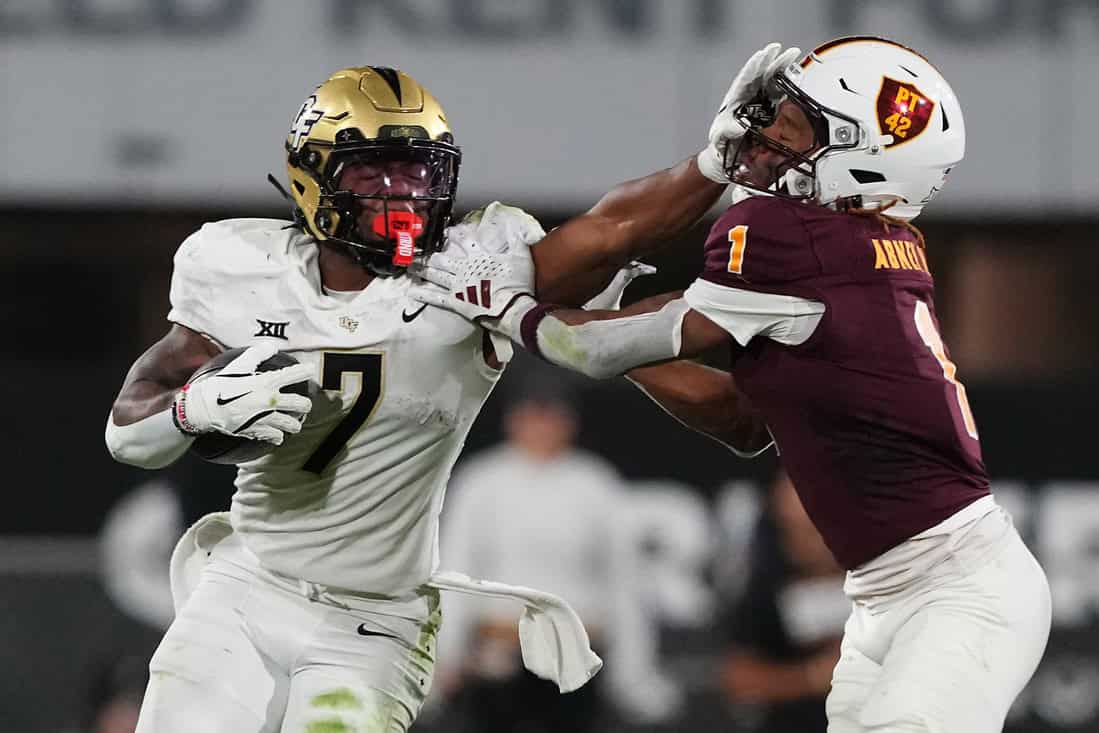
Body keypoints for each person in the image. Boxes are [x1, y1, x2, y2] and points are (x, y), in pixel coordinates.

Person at [103, 50, 791, 731]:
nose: (402, 192)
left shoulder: (467, 271)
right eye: (374, 171)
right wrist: (191, 409)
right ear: (313, 177)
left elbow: (610, 231)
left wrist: (712, 166)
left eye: (417, 170)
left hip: (371, 623)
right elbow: (128, 430)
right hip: (245, 588)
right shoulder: (237, 264)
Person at [412, 36, 1052, 732]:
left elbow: (587, 352)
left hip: (953, 590)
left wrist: (509, 309)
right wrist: (604, 321)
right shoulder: (868, 249)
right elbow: (742, 420)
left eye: (802, 124)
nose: (771, 131)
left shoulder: (790, 236)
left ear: (863, 159)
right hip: (894, 592)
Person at [719, 469, 846, 732]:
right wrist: (812, 676)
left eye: (810, 532)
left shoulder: (886, 577)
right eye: (788, 532)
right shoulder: (767, 588)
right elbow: (738, 679)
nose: (799, 544)